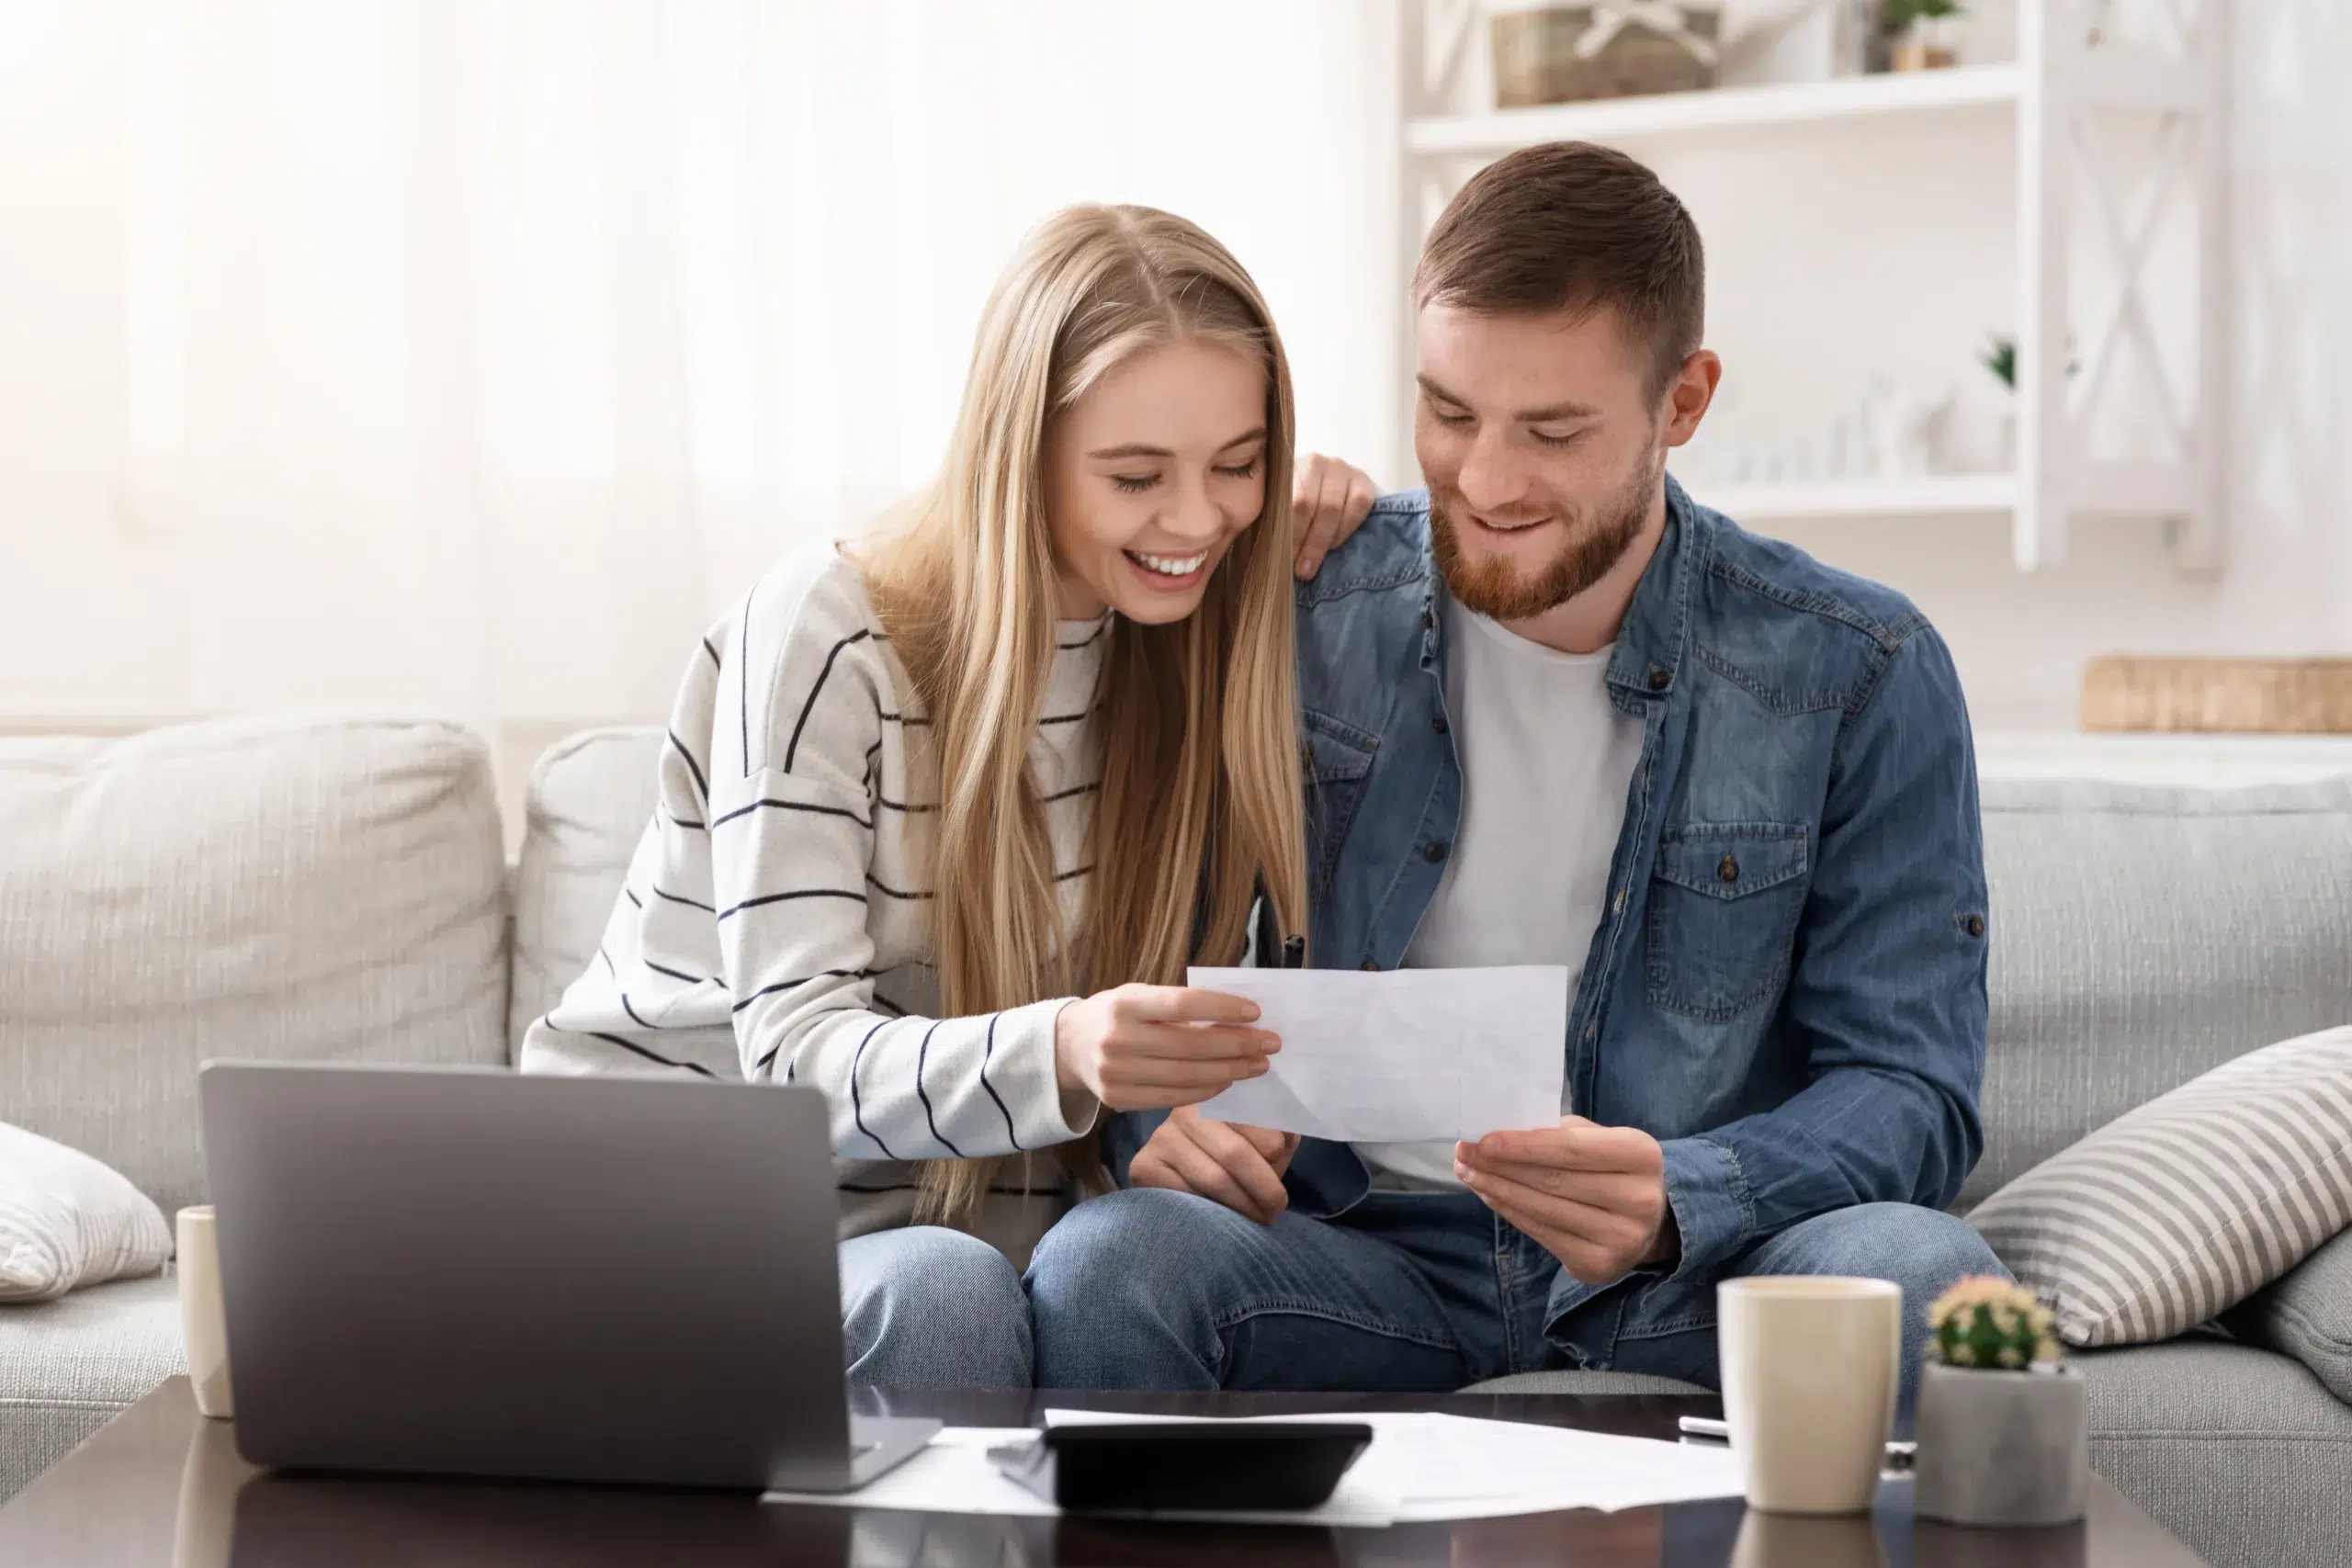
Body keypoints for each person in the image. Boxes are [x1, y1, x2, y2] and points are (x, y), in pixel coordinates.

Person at [1027, 142, 2004, 1417]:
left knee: (1929, 1277)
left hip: (1698, 1273)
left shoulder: (1860, 668)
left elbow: (1912, 1086)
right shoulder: (1299, 604)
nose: (1485, 482)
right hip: (1364, 1256)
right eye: (1448, 413)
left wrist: (1685, 1192)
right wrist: (1153, 1128)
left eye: (1552, 431)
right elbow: (1140, 949)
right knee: (1111, 1263)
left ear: (1684, 400)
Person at [521, 203, 1371, 1389]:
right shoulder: (825, 632)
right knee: (946, 1296)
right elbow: (795, 1068)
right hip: (682, 1207)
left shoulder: (1191, 646)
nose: (1197, 519)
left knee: (1069, 1270)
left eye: (1238, 464)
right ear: (1019, 453)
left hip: (956, 1232)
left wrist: (1175, 1127)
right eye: (1136, 476)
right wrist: (1070, 1052)